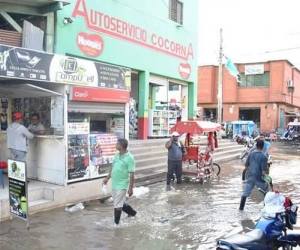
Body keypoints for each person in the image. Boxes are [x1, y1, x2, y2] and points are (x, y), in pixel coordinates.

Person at [102, 138, 136, 225]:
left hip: (122, 184)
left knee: (117, 206)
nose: (115, 145)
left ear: (121, 146)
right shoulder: (117, 154)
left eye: (117, 144)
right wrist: (107, 178)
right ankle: (132, 213)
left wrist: (130, 188)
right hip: (115, 183)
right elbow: (113, 167)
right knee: (118, 202)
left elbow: (132, 174)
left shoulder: (130, 158)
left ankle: (116, 224)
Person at [239, 139, 269, 211]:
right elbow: (264, 171)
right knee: (266, 193)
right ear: (263, 146)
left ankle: (241, 209)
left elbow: (246, 166)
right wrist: (266, 181)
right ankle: (266, 209)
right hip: (259, 178)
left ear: (256, 146)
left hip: (251, 176)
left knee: (245, 193)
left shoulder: (251, 154)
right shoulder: (264, 157)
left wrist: (250, 171)